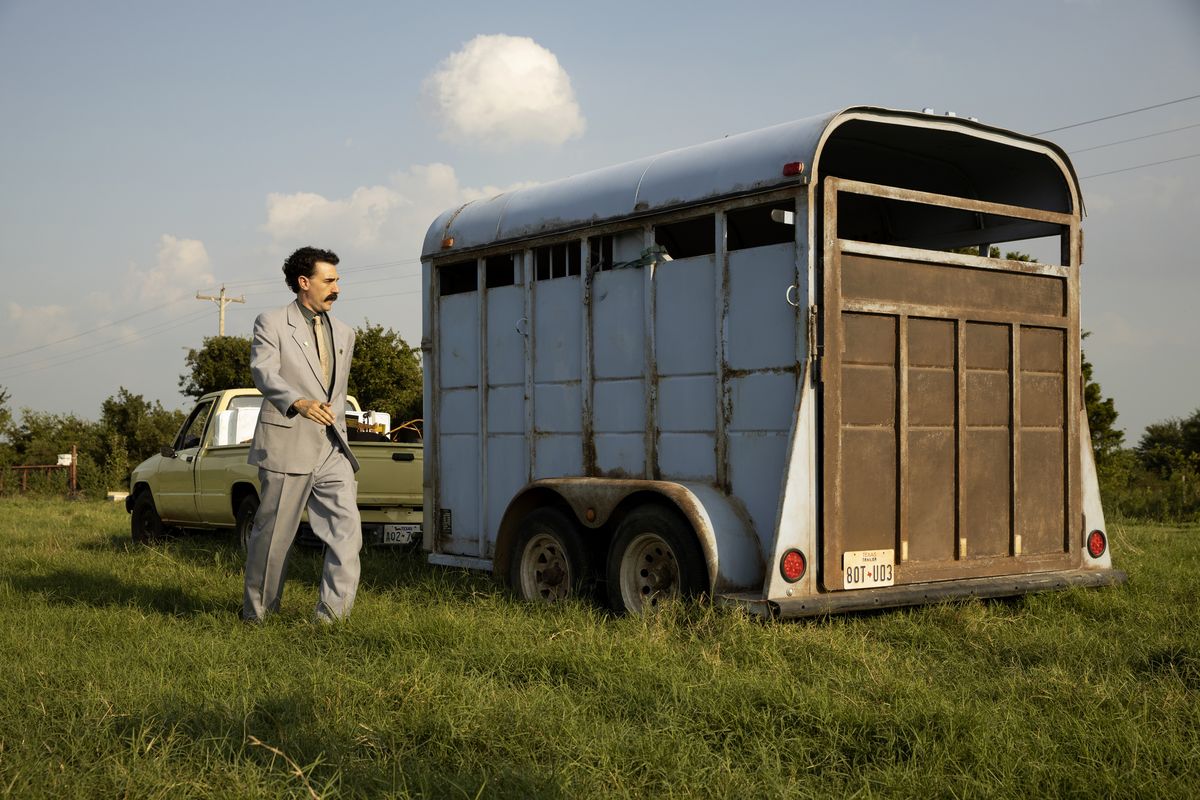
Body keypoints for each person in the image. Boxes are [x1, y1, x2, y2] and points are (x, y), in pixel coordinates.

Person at [242, 246, 362, 623]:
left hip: (332, 450)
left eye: (338, 280)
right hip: (287, 443)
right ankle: (258, 616)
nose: (337, 288)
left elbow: (336, 393)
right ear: (303, 282)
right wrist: (298, 402)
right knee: (274, 538)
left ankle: (331, 620)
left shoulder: (345, 332)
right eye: (329, 280)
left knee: (347, 533)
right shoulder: (272, 322)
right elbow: (264, 373)